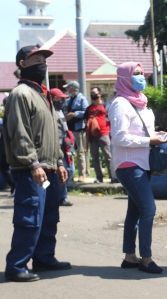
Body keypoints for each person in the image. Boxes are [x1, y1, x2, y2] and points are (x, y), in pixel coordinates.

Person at [4, 45, 70, 282]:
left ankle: (43, 257)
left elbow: (52, 134)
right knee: (29, 217)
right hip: (32, 170)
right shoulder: (21, 93)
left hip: (50, 168)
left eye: (44, 59)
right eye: (36, 59)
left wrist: (60, 162)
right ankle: (16, 265)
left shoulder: (43, 95)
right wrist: (33, 164)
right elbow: (20, 133)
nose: (42, 63)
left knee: (49, 215)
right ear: (22, 64)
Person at [109, 62, 167, 274]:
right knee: (148, 208)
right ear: (124, 78)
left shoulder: (140, 102)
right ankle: (146, 258)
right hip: (128, 164)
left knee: (135, 210)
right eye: (135, 74)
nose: (140, 77)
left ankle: (129, 256)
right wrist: (148, 141)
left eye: (142, 73)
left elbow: (142, 131)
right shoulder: (120, 104)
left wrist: (156, 135)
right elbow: (119, 137)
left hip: (142, 163)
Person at [51, 88, 75, 206]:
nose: (63, 101)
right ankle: (61, 197)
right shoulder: (50, 112)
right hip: (58, 147)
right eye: (60, 98)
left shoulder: (60, 111)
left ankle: (60, 194)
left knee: (70, 170)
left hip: (66, 146)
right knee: (63, 172)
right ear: (54, 98)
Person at [84, 87, 112, 183]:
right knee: (95, 157)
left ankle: (113, 177)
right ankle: (99, 177)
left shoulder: (106, 106)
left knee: (108, 156)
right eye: (91, 93)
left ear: (99, 94)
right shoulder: (89, 108)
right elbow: (85, 120)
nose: (92, 95)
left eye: (94, 93)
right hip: (93, 136)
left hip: (104, 134)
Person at [64, 80, 89, 182]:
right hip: (69, 130)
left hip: (79, 129)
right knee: (70, 152)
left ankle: (82, 174)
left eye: (68, 87)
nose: (67, 89)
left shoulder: (82, 99)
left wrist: (74, 114)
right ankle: (71, 174)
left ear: (72, 88)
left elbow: (86, 112)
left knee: (80, 152)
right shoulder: (69, 100)